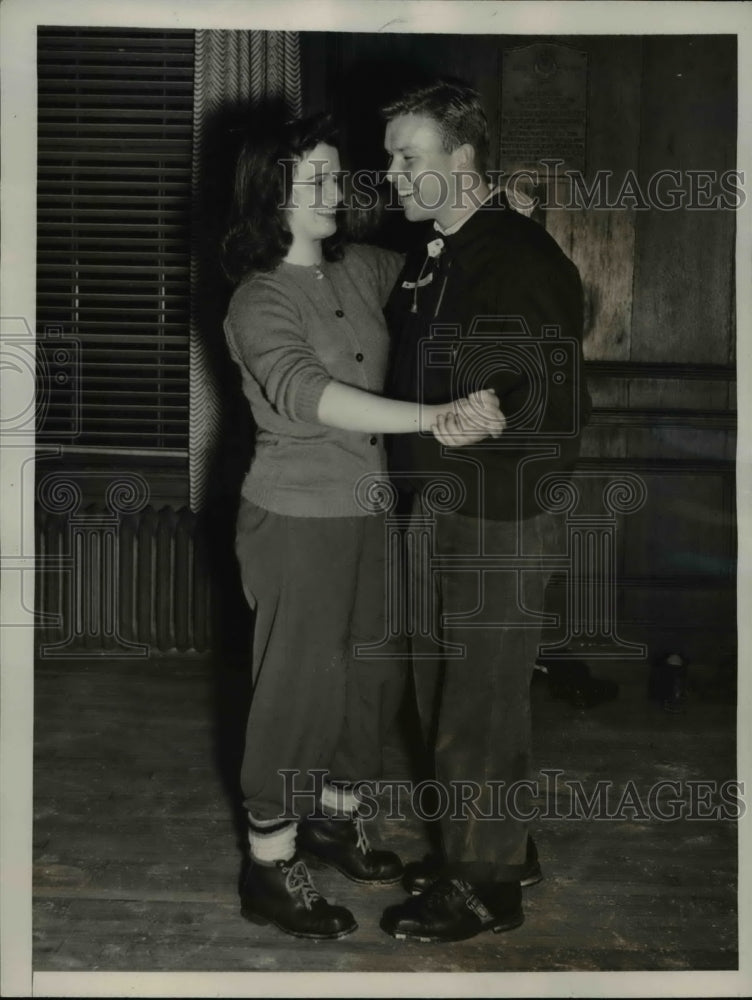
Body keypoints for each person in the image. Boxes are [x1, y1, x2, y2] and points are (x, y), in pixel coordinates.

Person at [220, 112, 504, 942]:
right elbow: (306, 393)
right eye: (315, 178)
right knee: (298, 689)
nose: (336, 192)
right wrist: (435, 415)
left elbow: (443, 261)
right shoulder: (258, 297)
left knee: (371, 681)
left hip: (373, 512)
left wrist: (494, 203)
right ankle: (268, 862)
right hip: (294, 516)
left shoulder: (366, 268)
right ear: (270, 193)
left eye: (338, 176)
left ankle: (335, 821)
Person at [378, 80, 592, 943]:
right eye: (389, 155)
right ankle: (499, 847)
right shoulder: (443, 249)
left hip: (496, 514)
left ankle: (486, 889)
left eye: (408, 156)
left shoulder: (520, 253)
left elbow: (554, 392)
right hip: (441, 502)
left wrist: (498, 409)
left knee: (479, 703)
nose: (390, 171)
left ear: (461, 162)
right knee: (444, 689)